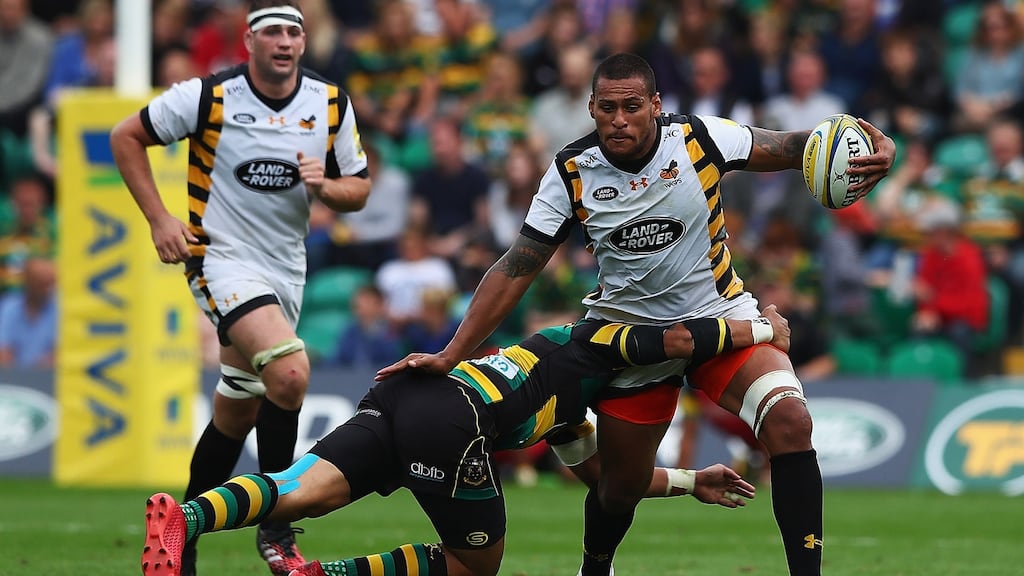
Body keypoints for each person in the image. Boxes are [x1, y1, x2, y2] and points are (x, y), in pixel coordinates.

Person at [377, 53, 896, 576]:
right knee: (619, 488)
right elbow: (517, 267)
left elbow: (793, 146)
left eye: (631, 107)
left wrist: (872, 146)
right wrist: (452, 354)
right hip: (631, 343)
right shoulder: (571, 172)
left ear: (655, 106)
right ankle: (595, 568)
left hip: (720, 320)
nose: (619, 119)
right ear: (592, 108)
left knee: (790, 419)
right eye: (607, 108)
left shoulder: (700, 138)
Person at [141, 308, 789, 576]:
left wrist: (686, 481)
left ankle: (185, 518)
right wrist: (761, 325)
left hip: (411, 400)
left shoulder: (571, 415)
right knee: (478, 563)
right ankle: (327, 575)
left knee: (304, 493)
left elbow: (603, 482)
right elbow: (677, 340)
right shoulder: (592, 338)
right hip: (453, 419)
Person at [109, 2, 372, 575]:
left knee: (237, 408)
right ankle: (277, 525)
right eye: (272, 30)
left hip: (286, 268)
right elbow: (125, 135)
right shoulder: (208, 95)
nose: (284, 40)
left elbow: (359, 188)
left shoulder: (329, 102)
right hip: (220, 260)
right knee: (290, 370)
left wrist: (325, 185)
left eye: (293, 31)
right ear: (248, 41)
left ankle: (180, 533)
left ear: (304, 43)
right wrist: (159, 218)